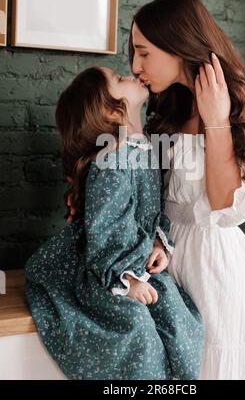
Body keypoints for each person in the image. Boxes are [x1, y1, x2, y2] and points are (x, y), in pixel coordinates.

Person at [126, 0, 245, 379]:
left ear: (178, 46)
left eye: (144, 52)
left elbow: (224, 204)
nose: (136, 64)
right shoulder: (168, 105)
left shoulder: (244, 106)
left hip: (215, 270)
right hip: (164, 261)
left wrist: (217, 119)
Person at [25, 65, 204, 380]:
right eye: (120, 80)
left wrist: (159, 241)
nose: (131, 74)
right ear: (109, 111)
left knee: (182, 321)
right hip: (108, 267)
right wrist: (126, 279)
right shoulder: (113, 160)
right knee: (137, 332)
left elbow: (152, 210)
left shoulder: (143, 148)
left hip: (137, 261)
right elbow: (104, 228)